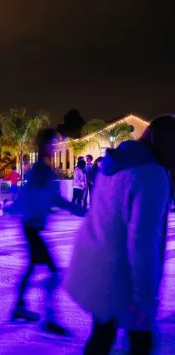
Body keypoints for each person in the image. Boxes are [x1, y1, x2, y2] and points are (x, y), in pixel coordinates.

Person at [64, 115, 175, 355]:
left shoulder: (115, 163)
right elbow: (143, 242)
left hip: (97, 266)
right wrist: (143, 297)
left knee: (103, 335)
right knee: (139, 343)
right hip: (120, 275)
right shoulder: (152, 175)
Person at [7, 128, 86, 336]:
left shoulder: (42, 169)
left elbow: (47, 197)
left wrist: (79, 210)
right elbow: (35, 196)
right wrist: (79, 210)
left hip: (32, 227)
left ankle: (20, 307)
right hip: (32, 227)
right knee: (52, 272)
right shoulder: (41, 170)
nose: (56, 146)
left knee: (32, 268)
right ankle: (48, 318)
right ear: (44, 145)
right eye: (53, 143)